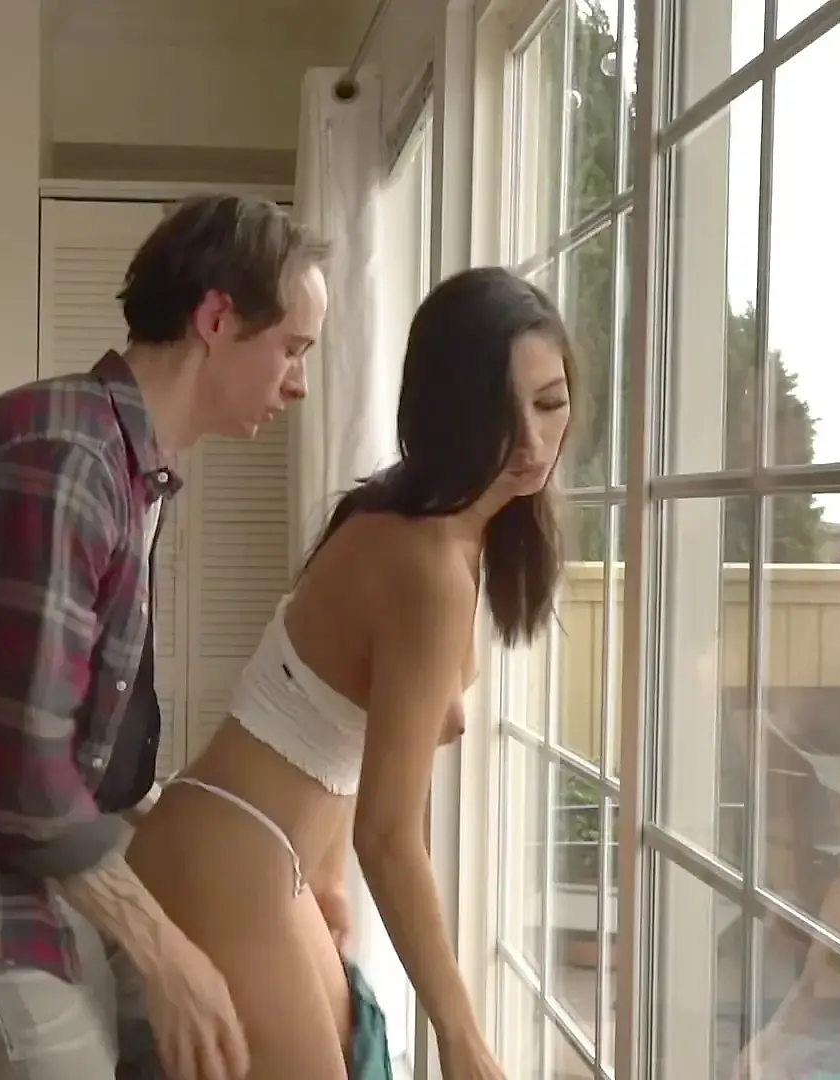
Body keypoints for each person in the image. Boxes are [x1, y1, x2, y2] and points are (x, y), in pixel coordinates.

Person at [0, 193, 330, 1080]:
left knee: (209, 1031)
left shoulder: (131, 467)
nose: (299, 382)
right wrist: (162, 949)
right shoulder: (66, 466)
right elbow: (24, 774)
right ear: (216, 319)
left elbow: (87, 749)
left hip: (30, 838)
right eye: (293, 348)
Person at [122, 265, 576, 1080]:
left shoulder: (434, 530)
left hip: (266, 855)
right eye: (501, 413)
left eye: (550, 403)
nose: (533, 442)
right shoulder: (426, 563)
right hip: (227, 853)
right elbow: (390, 835)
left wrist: (326, 875)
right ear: (449, 411)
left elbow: (335, 729)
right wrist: (461, 1036)